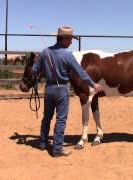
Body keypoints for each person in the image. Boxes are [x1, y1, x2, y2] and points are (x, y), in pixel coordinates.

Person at [32, 26, 103, 157]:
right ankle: (58, 148)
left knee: (47, 117)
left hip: (49, 89)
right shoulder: (67, 55)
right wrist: (93, 84)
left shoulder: (45, 52)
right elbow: (81, 73)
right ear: (64, 39)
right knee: (61, 119)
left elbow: (35, 71)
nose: (71, 42)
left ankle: (43, 142)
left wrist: (46, 70)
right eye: (70, 39)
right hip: (62, 89)